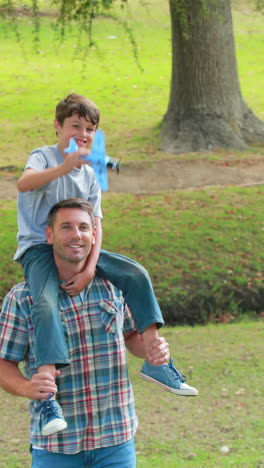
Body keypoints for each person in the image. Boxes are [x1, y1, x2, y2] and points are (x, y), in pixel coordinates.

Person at [14, 93, 198, 435]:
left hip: (83, 250)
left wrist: (88, 269)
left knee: (135, 273)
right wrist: (63, 167)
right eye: (75, 127)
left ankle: (158, 361)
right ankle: (46, 397)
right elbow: (23, 183)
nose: (82, 135)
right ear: (58, 126)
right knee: (44, 303)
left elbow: (96, 226)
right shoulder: (43, 157)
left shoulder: (92, 172)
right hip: (41, 248)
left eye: (89, 130)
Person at [0, 199, 172, 467]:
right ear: (49, 234)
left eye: (83, 227)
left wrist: (152, 350)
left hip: (116, 439)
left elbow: (130, 338)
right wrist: (25, 387)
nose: (76, 235)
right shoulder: (22, 298)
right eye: (66, 227)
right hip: (56, 445)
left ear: (94, 233)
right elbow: (3, 363)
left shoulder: (114, 287)